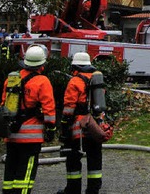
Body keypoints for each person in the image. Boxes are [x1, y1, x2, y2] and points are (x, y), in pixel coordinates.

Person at [2, 44, 56, 194]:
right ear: (42, 65)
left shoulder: (12, 79)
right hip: (31, 138)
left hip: (11, 134)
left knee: (10, 172)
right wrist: (51, 129)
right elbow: (49, 109)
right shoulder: (42, 81)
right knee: (25, 175)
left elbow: (4, 104)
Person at [57, 52, 103, 194]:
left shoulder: (75, 81)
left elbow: (69, 107)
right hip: (95, 125)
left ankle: (72, 190)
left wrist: (64, 124)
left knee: (73, 159)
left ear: (75, 67)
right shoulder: (97, 80)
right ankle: (93, 190)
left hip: (78, 127)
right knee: (95, 158)